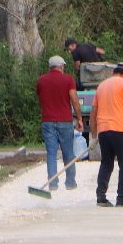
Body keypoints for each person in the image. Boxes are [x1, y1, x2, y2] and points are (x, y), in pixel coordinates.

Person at [90, 64, 123, 207]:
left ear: (113, 72)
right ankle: (121, 199)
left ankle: (101, 197)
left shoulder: (101, 86)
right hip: (120, 129)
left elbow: (93, 113)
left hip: (103, 131)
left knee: (106, 163)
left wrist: (93, 136)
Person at [36, 55, 84, 190]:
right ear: (61, 66)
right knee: (68, 152)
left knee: (51, 153)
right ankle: (70, 183)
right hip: (65, 121)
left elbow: (41, 101)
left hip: (47, 121)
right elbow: (74, 100)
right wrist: (79, 118)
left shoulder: (41, 80)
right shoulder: (68, 79)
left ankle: (52, 184)